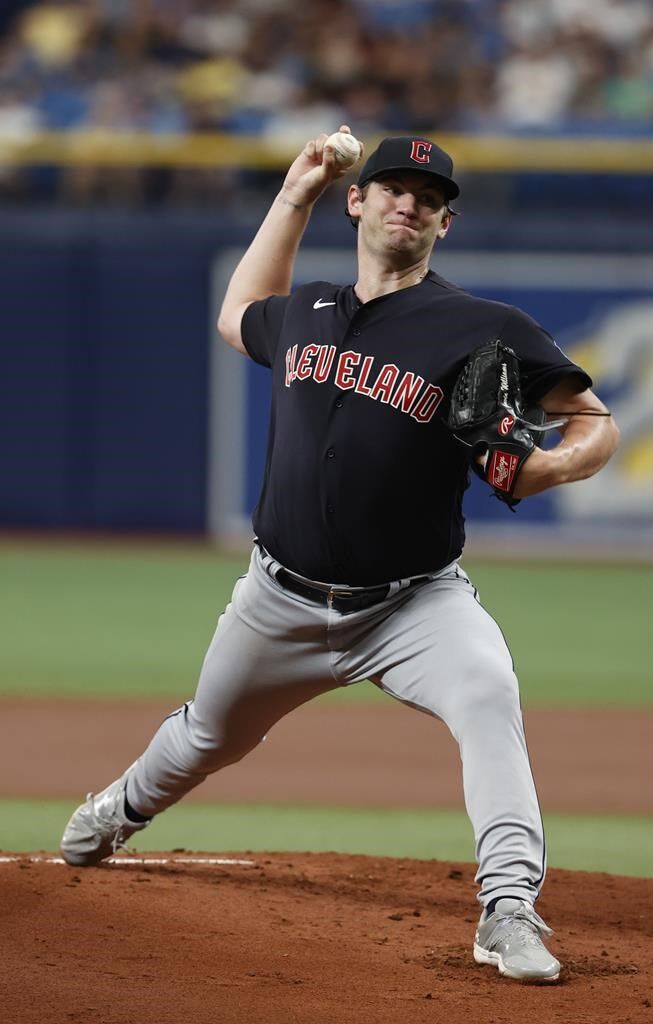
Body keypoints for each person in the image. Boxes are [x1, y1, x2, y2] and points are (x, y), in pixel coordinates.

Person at [60, 127, 619, 983]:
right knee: (206, 737)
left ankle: (508, 908)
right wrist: (294, 192)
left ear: (444, 225)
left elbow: (597, 420)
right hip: (275, 600)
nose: (410, 203)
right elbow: (233, 315)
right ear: (357, 202)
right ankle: (117, 810)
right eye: (393, 188)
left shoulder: (483, 326)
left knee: (487, 693)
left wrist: (545, 468)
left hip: (414, 605)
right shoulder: (305, 311)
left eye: (429, 199)